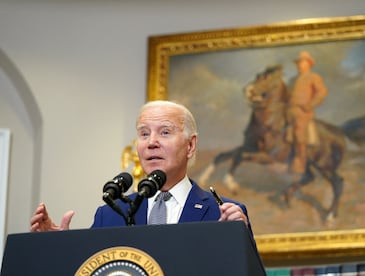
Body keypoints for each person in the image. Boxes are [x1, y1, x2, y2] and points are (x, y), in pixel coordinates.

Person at [30, 100, 254, 237]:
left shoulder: (224, 214)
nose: (151, 142)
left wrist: (236, 241)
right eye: (144, 133)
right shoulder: (109, 214)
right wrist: (60, 247)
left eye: (165, 132)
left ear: (191, 145)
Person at [286, 51, 328, 175]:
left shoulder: (313, 77)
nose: (299, 65)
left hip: (303, 112)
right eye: (298, 63)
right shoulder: (293, 80)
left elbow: (322, 92)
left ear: (309, 64)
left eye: (302, 62)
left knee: (299, 134)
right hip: (290, 111)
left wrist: (310, 105)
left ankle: (301, 163)